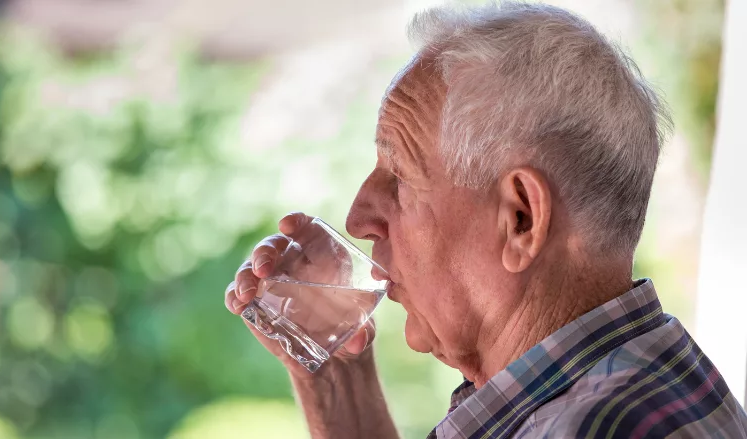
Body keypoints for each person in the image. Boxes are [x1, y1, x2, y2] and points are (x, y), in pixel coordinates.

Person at [225, 2, 747, 438]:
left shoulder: (592, 426)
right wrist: (337, 377)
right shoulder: (633, 372)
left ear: (521, 219)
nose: (358, 217)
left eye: (400, 175)